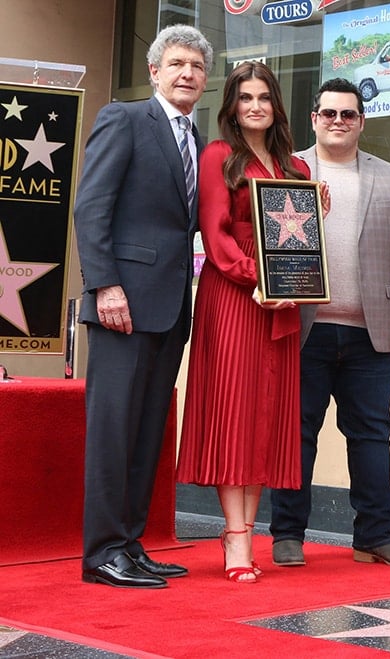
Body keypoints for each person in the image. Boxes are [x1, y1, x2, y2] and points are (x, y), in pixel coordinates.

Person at [176, 61, 330, 584]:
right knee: (235, 409)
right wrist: (254, 278)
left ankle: (243, 531)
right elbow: (215, 236)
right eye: (245, 98)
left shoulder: (297, 171)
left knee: (265, 413)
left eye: (264, 97)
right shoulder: (219, 156)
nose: (256, 106)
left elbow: (299, 244)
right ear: (232, 107)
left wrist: (315, 226)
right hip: (235, 296)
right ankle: (236, 535)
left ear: (277, 105)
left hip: (282, 302)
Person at [269, 78, 390, 568]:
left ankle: (375, 537)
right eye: (329, 113)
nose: (339, 121)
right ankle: (288, 536)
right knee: (296, 434)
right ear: (314, 119)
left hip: (371, 331)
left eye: (349, 114)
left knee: (371, 436)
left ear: (362, 121)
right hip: (303, 329)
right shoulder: (287, 171)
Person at [73, 24, 213, 589]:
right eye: (177, 63)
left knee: (147, 431)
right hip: (121, 307)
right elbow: (91, 207)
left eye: (197, 67)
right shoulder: (124, 119)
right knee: (113, 430)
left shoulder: (199, 142)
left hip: (171, 310)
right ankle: (102, 551)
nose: (187, 74)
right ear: (154, 71)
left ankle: (129, 545)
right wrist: (104, 286)